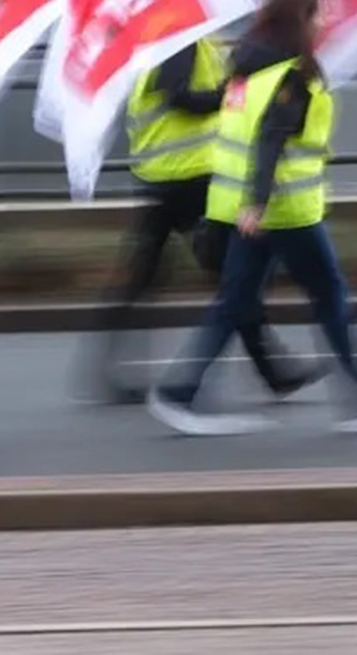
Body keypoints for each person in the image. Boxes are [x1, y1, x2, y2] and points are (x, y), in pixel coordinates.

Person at [149, 0, 357, 435]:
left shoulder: (245, 70)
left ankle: (178, 392)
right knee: (330, 298)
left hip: (241, 206)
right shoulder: (292, 77)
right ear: (298, 20)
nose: (320, 23)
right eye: (315, 15)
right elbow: (270, 140)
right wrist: (260, 202)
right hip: (284, 210)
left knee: (234, 303)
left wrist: (250, 204)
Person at [81, 37, 319, 404]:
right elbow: (179, 97)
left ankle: (102, 374)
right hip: (187, 178)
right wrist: (226, 96)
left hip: (166, 176)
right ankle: (270, 371)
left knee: (145, 278)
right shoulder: (181, 42)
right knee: (236, 274)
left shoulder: (178, 41)